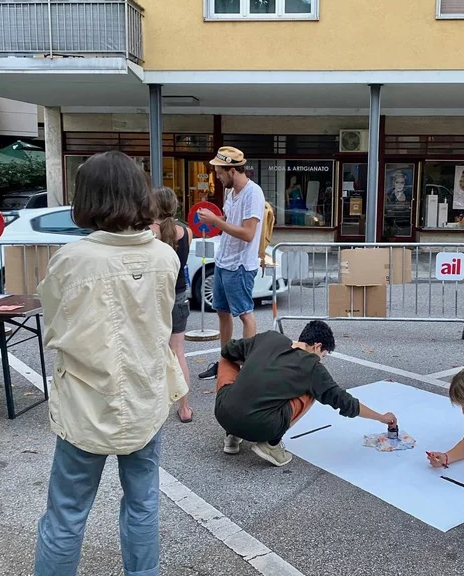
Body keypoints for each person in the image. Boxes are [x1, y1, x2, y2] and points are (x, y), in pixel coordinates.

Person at [33, 151, 188, 576]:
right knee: (142, 503)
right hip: (145, 397)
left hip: (86, 402)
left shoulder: (72, 259)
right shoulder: (165, 256)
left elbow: (54, 326)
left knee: (66, 514)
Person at [214, 320, 398, 466]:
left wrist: (254, 363)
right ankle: (271, 445)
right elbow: (345, 402)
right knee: (312, 390)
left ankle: (232, 435)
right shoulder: (312, 367)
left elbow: (229, 349)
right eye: (323, 355)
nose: (321, 360)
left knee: (226, 359)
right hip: (262, 427)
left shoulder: (269, 338)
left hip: (224, 414)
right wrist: (381, 417)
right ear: (317, 346)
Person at [195, 146, 265, 380]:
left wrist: (216, 220)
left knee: (245, 314)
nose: (217, 176)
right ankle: (226, 362)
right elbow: (232, 221)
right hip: (224, 261)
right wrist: (217, 219)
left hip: (241, 264)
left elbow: (247, 233)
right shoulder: (230, 193)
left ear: (233, 170)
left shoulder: (253, 194)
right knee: (222, 312)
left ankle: (248, 366)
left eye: (220, 172)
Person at [151, 186, 194, 423]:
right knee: (178, 352)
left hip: (154, 298)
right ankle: (185, 407)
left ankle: (154, 406)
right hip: (178, 295)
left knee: (151, 350)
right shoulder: (185, 232)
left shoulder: (148, 231)